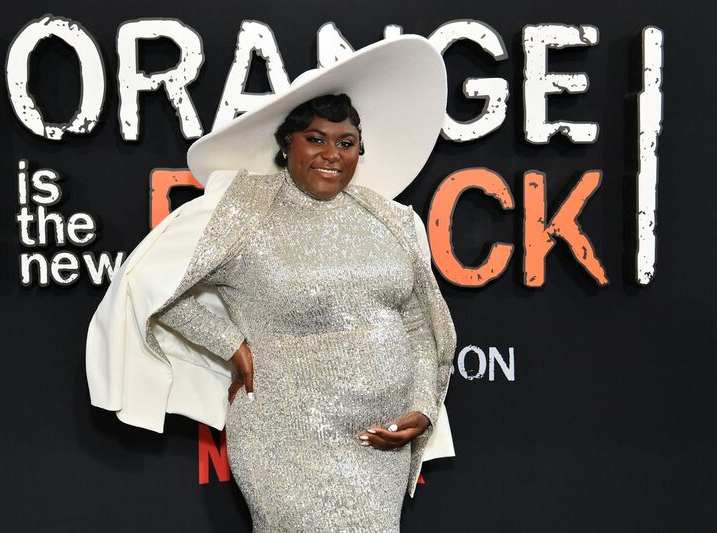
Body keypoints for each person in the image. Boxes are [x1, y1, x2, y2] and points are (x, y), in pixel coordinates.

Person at [86, 35, 456, 532]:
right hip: (287, 441)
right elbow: (150, 282)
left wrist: (421, 407)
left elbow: (417, 323)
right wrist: (229, 344)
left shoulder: (391, 220)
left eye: (345, 143)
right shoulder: (243, 209)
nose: (331, 154)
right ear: (287, 145)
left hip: (379, 444)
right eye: (316, 139)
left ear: (360, 151)